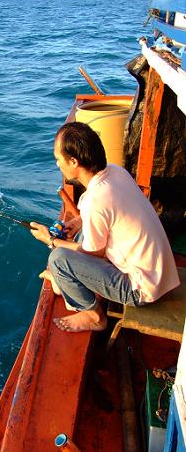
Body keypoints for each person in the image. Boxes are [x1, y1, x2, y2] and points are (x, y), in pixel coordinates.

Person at [30, 122, 180, 333]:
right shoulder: (115, 172)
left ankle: (94, 317)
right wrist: (79, 221)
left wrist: (52, 241)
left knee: (58, 258)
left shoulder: (96, 199)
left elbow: (94, 254)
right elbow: (108, 211)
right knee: (79, 239)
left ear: (73, 161)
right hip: (161, 275)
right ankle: (61, 281)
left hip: (141, 289)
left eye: (58, 159)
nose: (57, 164)